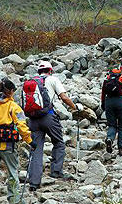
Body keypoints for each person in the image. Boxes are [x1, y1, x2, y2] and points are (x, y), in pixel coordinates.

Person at [0, 78, 36, 204]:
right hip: (7, 146)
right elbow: (21, 125)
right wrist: (30, 141)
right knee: (12, 173)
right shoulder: (14, 107)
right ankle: (14, 199)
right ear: (10, 91)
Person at [28, 61, 82, 191]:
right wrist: (75, 107)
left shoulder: (31, 81)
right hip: (48, 117)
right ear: (50, 70)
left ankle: (34, 183)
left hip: (33, 119)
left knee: (36, 148)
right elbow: (63, 97)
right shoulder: (53, 79)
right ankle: (56, 171)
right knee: (58, 142)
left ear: (38, 71)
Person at [101, 67, 122, 156]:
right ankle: (121, 148)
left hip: (109, 101)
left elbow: (103, 91)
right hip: (121, 101)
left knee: (112, 125)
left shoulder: (108, 77)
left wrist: (103, 103)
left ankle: (110, 138)